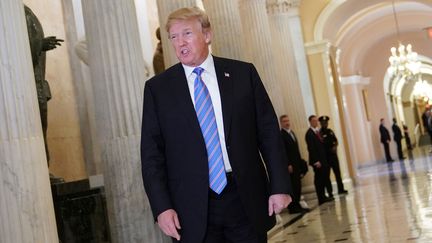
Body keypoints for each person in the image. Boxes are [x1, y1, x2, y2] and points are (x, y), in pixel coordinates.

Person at [141, 7, 291, 243]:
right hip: (190, 206)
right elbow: (151, 155)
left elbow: (269, 133)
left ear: (207, 35)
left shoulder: (243, 74)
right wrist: (161, 207)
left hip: (244, 196)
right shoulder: (158, 89)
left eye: (187, 34)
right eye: (174, 37)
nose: (180, 42)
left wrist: (280, 185)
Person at [280, 115, 309, 214]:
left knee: (297, 186)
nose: (287, 122)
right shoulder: (282, 135)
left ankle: (297, 205)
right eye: (284, 121)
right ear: (281, 123)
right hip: (290, 166)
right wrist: (288, 164)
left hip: (296, 164)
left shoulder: (291, 133)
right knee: (293, 187)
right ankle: (293, 207)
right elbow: (282, 152)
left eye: (288, 120)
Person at [305, 115, 333, 205]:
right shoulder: (309, 133)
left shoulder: (317, 132)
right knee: (319, 180)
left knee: (323, 178)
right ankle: (321, 198)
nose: (316, 122)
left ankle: (323, 196)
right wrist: (316, 161)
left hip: (323, 160)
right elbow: (311, 149)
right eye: (314, 121)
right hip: (317, 162)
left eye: (316, 121)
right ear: (310, 122)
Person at [318, 116, 348, 195]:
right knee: (327, 176)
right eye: (323, 123)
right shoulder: (320, 133)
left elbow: (335, 140)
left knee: (337, 173)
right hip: (326, 157)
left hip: (333, 156)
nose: (325, 124)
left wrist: (335, 146)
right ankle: (330, 192)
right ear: (321, 123)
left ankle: (341, 189)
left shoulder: (330, 131)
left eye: (326, 122)